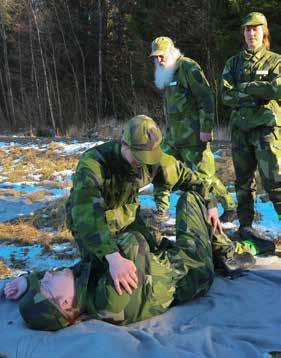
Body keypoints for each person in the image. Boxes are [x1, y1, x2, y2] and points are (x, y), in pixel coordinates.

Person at [3, 190, 256, 331]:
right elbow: (134, 240)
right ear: (66, 303)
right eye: (46, 286)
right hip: (191, 269)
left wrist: (28, 281)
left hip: (158, 261)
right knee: (191, 198)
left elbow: (70, 268)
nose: (47, 275)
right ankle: (223, 253)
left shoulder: (80, 288)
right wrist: (111, 255)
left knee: (97, 213)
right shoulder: (110, 301)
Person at [66, 114, 254, 297]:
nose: (142, 163)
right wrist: (112, 256)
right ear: (124, 144)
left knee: (155, 260)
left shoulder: (154, 160)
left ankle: (220, 254)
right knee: (107, 276)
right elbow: (86, 216)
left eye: (147, 158)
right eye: (138, 157)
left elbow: (192, 179)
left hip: (128, 218)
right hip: (94, 226)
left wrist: (210, 204)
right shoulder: (94, 164)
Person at [149, 36, 236, 223]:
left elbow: (206, 98)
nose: (159, 60)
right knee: (159, 167)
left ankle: (230, 206)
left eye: (161, 56)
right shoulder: (166, 73)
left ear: (171, 52)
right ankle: (162, 210)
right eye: (155, 57)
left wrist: (206, 128)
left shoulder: (188, 68)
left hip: (195, 136)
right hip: (173, 137)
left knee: (205, 178)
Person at [221, 12, 281, 247]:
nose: (251, 33)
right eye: (247, 29)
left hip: (267, 131)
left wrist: (245, 87)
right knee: (244, 184)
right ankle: (245, 227)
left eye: (256, 29)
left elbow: (277, 90)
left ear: (264, 31)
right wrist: (259, 91)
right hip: (241, 132)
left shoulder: (275, 61)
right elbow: (225, 95)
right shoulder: (233, 63)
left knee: (276, 183)